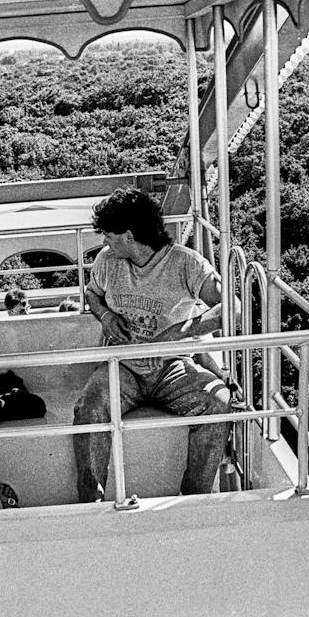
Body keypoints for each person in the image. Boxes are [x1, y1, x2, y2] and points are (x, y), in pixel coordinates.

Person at [72, 187, 235, 502]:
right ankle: (90, 501)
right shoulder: (107, 261)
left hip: (171, 367)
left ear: (129, 236)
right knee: (89, 407)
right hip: (122, 365)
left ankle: (194, 498)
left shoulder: (186, 264)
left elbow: (233, 307)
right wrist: (105, 316)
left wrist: (181, 331)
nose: (104, 242)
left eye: (108, 235)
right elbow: (91, 294)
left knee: (219, 403)